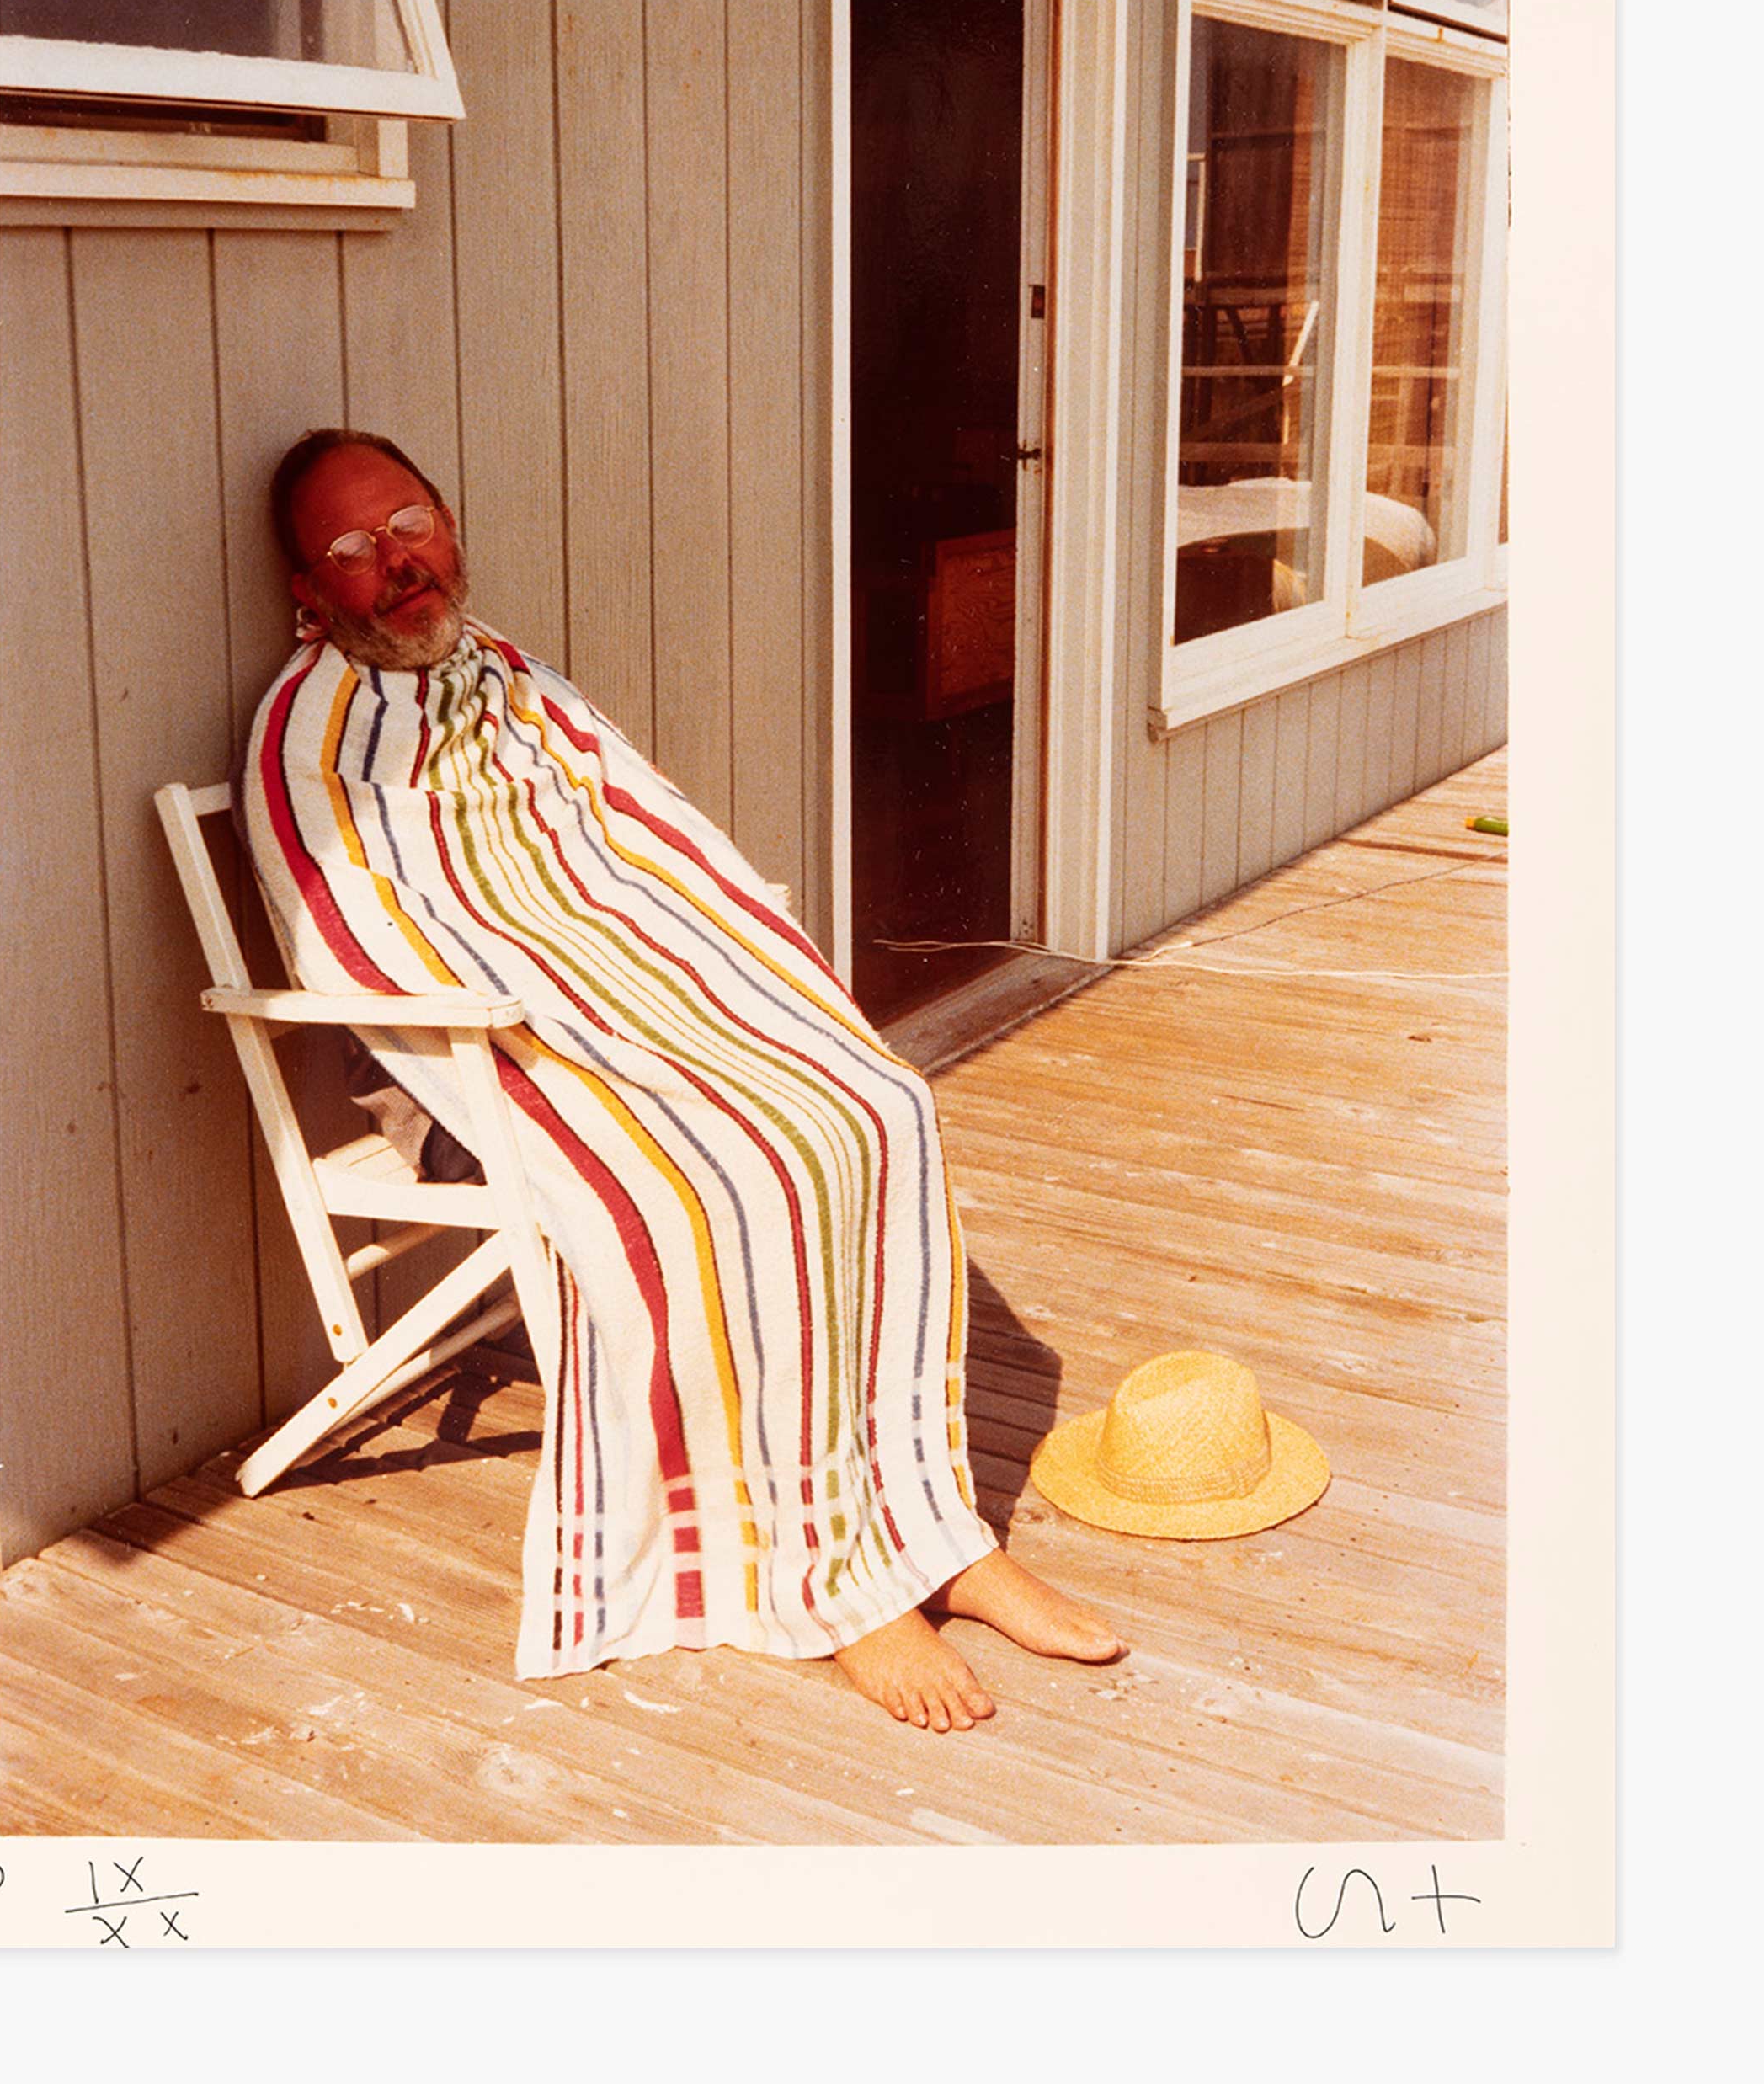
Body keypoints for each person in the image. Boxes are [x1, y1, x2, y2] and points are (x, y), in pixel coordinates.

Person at [241, 428, 1125, 1734]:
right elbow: (368, 945)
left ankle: (938, 1535)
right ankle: (829, 1585)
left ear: (449, 522)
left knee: (876, 1108)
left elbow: (654, 842)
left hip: (632, 1019)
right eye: (356, 548)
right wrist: (594, 1028)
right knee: (723, 1177)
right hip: (471, 1070)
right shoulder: (306, 736)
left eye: (411, 522)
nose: (400, 560)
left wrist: (712, 977)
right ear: (312, 592)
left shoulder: (513, 679)